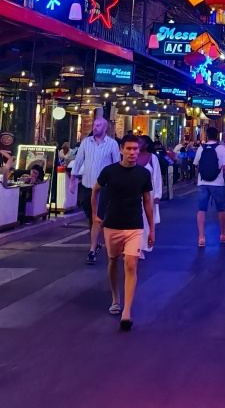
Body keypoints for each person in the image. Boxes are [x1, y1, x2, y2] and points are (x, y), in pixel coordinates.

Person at [91, 134, 154, 331]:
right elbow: (95, 190)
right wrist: (95, 215)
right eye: (129, 149)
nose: (133, 153)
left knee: (131, 262)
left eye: (136, 149)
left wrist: (152, 229)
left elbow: (147, 202)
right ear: (121, 150)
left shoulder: (143, 174)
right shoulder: (109, 172)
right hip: (112, 224)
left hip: (134, 226)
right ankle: (115, 298)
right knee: (113, 260)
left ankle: (127, 311)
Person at [73, 117, 121, 265]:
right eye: (94, 125)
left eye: (99, 125)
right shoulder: (86, 142)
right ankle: (96, 241)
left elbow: (116, 164)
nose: (95, 127)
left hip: (104, 188)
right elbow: (79, 161)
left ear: (105, 128)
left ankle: (92, 250)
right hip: (87, 186)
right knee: (90, 217)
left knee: (97, 218)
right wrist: (72, 180)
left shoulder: (112, 144)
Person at [195, 125, 225, 247]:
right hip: (218, 183)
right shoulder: (221, 148)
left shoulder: (201, 148)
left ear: (207, 136)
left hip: (203, 183)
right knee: (221, 209)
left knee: (201, 210)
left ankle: (201, 237)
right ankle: (222, 234)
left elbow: (196, 164)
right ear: (217, 136)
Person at [137, 135, 163, 256]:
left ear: (146, 145)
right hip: (134, 193)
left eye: (140, 142)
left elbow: (157, 177)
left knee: (146, 222)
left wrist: (158, 194)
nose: (138, 144)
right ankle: (135, 247)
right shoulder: (133, 156)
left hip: (149, 194)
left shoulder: (153, 158)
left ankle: (143, 246)